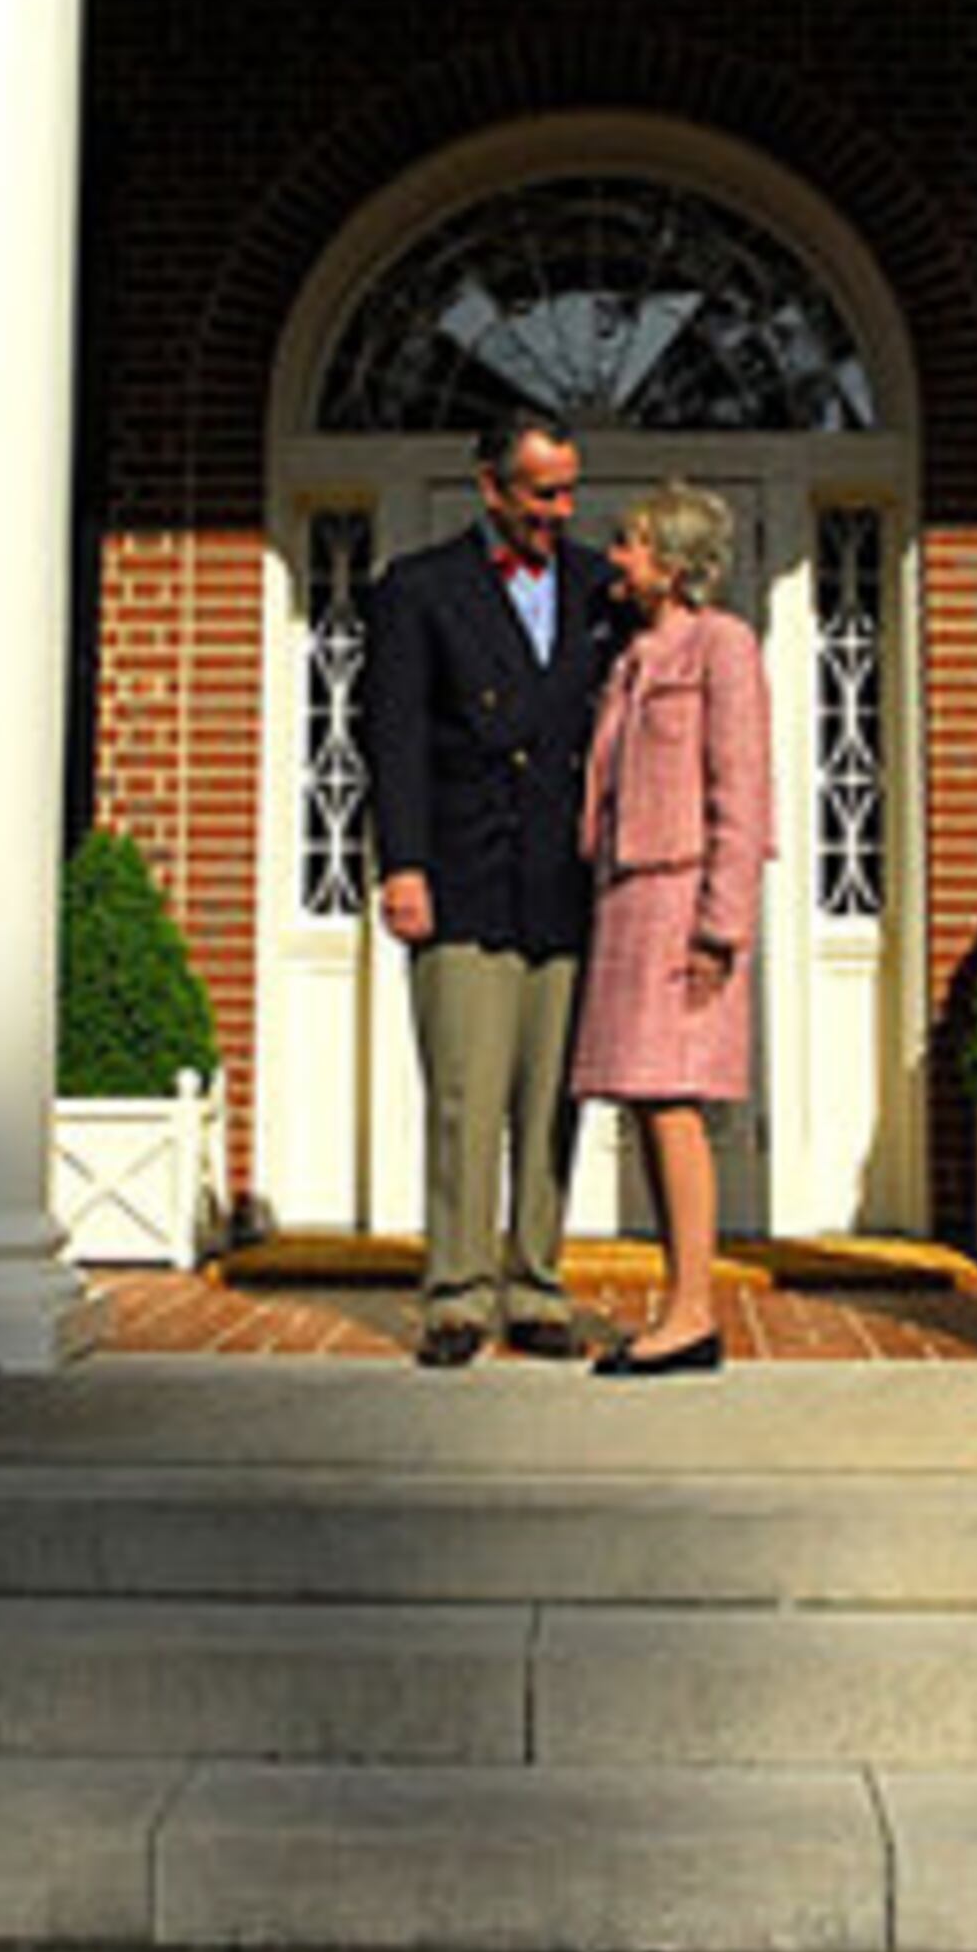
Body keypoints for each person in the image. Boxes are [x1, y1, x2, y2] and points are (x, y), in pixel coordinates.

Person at [363, 408, 625, 1367]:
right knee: (465, 1098)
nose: (560, 510)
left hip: (566, 880)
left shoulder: (603, 586)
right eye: (542, 492)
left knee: (552, 1100)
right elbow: (390, 739)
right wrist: (403, 866)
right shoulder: (417, 589)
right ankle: (458, 1296)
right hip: (462, 874)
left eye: (568, 491)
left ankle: (538, 1286)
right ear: (490, 486)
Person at [572, 480, 772, 1379]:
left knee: (673, 1100)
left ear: (678, 562)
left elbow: (741, 790)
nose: (618, 557)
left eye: (633, 543)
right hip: (626, 899)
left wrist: (719, 927)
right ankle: (680, 1302)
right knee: (647, 1100)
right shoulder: (629, 655)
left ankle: (692, 1312)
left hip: (684, 899)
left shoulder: (723, 647)